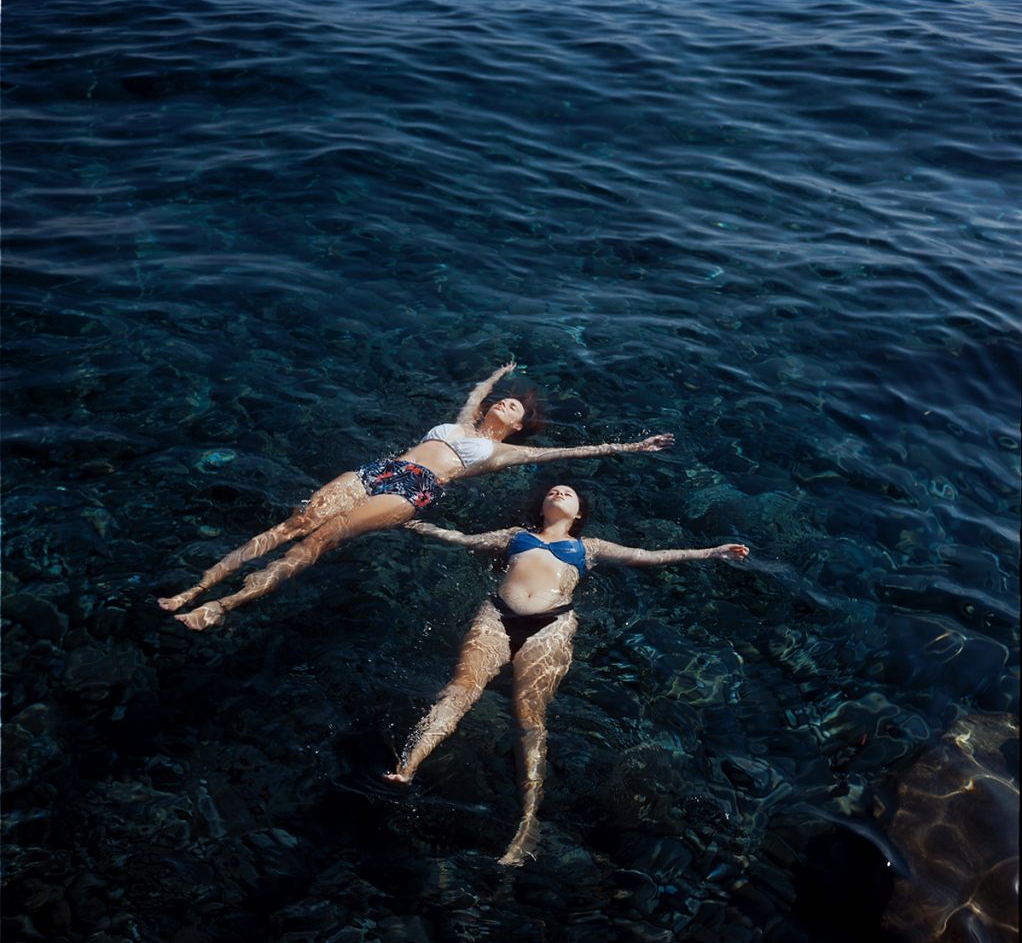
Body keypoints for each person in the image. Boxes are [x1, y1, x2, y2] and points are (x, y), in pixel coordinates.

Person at [385, 484, 750, 866]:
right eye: (553, 491)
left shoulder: (589, 547)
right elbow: (460, 539)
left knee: (528, 718)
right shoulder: (514, 537)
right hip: (495, 615)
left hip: (552, 626)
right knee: (460, 690)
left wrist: (712, 552)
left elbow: (650, 555)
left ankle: (528, 821)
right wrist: (415, 525)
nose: (558, 492)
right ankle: (408, 767)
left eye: (568, 493)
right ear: (541, 506)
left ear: (578, 514)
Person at [158, 364, 674, 630]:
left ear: (517, 427)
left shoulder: (500, 454)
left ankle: (224, 605)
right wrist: (495, 374)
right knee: (295, 522)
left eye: (512, 405)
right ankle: (196, 588)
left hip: (415, 489)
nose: (503, 403)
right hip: (381, 468)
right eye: (504, 398)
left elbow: (577, 450)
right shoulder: (462, 420)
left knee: (322, 538)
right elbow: (475, 394)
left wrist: (630, 446)